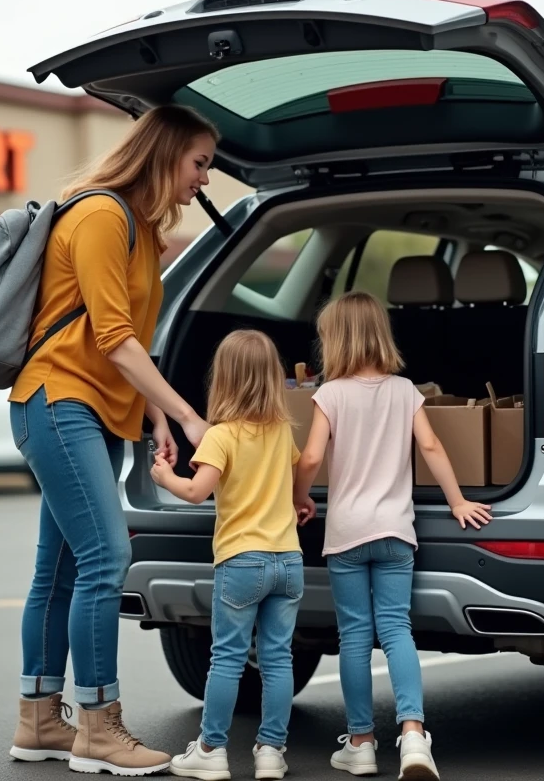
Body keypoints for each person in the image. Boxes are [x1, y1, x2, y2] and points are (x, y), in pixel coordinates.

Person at [6, 104, 219, 776]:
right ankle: (99, 727)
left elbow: (132, 344)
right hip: (58, 400)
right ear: (165, 155)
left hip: (90, 410)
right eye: (199, 163)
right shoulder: (101, 216)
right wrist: (187, 416)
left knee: (64, 568)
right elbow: (113, 339)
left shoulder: (139, 229)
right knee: (106, 557)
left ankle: (39, 719)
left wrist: (153, 417)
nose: (204, 179)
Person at [292, 291, 493, 781]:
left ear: (334, 340)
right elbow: (430, 444)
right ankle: (412, 736)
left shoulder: (331, 394)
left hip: (347, 535)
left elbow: (313, 457)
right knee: (397, 630)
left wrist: (299, 496)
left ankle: (360, 742)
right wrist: (457, 501)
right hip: (396, 533)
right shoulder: (405, 391)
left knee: (356, 637)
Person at [149, 330, 309, 781]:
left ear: (224, 380)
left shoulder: (221, 435)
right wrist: (300, 501)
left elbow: (198, 492)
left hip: (242, 561)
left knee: (227, 658)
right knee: (278, 659)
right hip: (288, 561)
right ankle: (271, 753)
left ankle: (211, 750)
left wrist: (165, 478)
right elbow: (294, 474)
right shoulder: (281, 431)